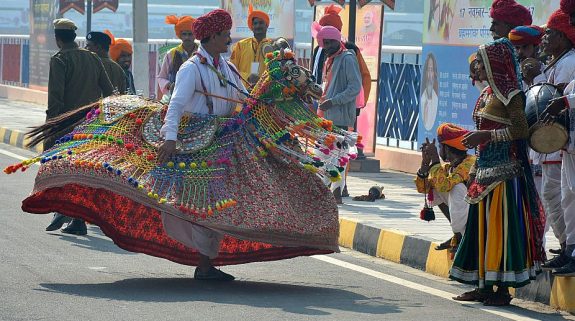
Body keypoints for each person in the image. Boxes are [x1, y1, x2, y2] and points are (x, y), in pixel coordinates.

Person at [12, 9, 348, 281]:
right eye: (224, 35)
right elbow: (175, 106)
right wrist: (170, 140)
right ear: (212, 37)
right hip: (194, 141)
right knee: (200, 203)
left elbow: (244, 99)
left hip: (224, 138)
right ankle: (203, 263)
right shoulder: (191, 68)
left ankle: (206, 261)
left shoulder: (226, 67)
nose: (229, 39)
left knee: (221, 202)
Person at [450, 38, 545, 306]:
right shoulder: (486, 94)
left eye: (481, 62)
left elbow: (521, 131)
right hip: (484, 174)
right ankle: (482, 286)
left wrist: (486, 135)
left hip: (505, 177)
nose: (477, 67)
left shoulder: (512, 94)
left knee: (500, 235)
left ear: (495, 64)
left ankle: (502, 290)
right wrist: (475, 166)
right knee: (480, 233)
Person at [44, 19, 114, 235]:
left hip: (65, 125)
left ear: (58, 40)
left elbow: (55, 97)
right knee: (81, 170)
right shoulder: (92, 58)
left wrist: (50, 127)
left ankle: (64, 209)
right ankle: (78, 220)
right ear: (74, 37)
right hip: (90, 125)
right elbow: (109, 93)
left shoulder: (60, 59)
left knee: (61, 168)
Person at [540, 0, 575, 276]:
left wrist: (564, 101)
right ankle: (569, 249)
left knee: (563, 196)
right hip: (568, 144)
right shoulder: (562, 61)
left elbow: (565, 98)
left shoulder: (570, 62)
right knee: (566, 197)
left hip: (567, 143)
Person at [316, 25, 362, 204]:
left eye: (330, 42)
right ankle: (331, 191)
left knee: (338, 155)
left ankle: (336, 193)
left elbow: (354, 88)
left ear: (338, 41)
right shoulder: (331, 59)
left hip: (340, 115)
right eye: (324, 43)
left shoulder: (347, 58)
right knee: (326, 154)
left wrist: (333, 101)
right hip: (326, 114)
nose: (326, 46)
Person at [415, 124, 475, 252]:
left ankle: (464, 236)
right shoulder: (451, 166)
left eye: (440, 146)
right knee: (436, 188)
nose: (439, 150)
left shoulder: (470, 163)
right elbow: (424, 188)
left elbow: (445, 185)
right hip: (466, 209)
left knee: (455, 188)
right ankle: (458, 236)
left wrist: (436, 160)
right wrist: (425, 164)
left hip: (478, 213)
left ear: (446, 148)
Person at [156, 15, 197, 101]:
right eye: (184, 34)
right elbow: (161, 77)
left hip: (197, 98)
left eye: (190, 34)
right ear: (180, 35)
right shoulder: (171, 54)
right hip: (176, 97)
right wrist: (169, 85)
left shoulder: (201, 54)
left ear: (195, 35)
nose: (187, 37)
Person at [229, 4, 272, 86]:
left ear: (266, 25)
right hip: (243, 92)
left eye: (261, 23)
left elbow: (276, 73)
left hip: (264, 93)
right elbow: (231, 70)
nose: (258, 26)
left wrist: (262, 79)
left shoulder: (272, 47)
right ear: (252, 27)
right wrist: (247, 76)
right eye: (255, 23)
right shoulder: (241, 45)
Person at [105, 30, 136, 95]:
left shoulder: (128, 74)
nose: (127, 59)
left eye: (129, 55)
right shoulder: (110, 73)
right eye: (123, 56)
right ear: (115, 57)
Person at [421, 54, 439, 131]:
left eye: (431, 70)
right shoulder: (423, 95)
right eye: (428, 69)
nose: (429, 73)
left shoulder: (436, 97)